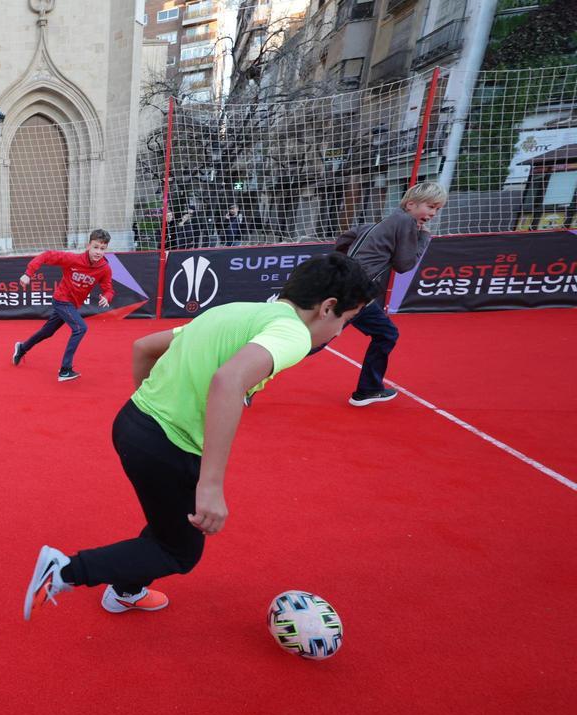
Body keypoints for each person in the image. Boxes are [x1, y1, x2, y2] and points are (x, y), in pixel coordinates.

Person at [23, 252, 376, 620]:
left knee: (166, 523)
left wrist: (152, 406)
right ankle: (65, 571)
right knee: (179, 552)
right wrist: (210, 485)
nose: (338, 333)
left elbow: (143, 348)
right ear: (328, 307)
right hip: (168, 445)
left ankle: (125, 590)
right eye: (346, 321)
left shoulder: (235, 310)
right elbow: (228, 380)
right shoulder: (294, 334)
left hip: (131, 423)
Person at [329, 181, 446, 407]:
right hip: (355, 292)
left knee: (386, 333)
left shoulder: (385, 221)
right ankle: (252, 375)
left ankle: (368, 390)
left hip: (356, 290)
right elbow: (404, 265)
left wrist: (344, 264)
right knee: (314, 341)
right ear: (410, 204)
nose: (432, 214)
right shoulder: (405, 223)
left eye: (437, 209)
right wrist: (424, 238)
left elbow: (346, 237)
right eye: (430, 207)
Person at [11, 229, 114, 382]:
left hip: (72, 305)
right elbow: (46, 255)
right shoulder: (72, 259)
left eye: (102, 249)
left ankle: (22, 348)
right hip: (62, 300)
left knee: (47, 332)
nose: (98, 252)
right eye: (96, 247)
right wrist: (28, 273)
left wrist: (106, 297)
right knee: (80, 328)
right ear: (88, 246)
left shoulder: (104, 269)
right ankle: (65, 370)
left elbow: (108, 288)